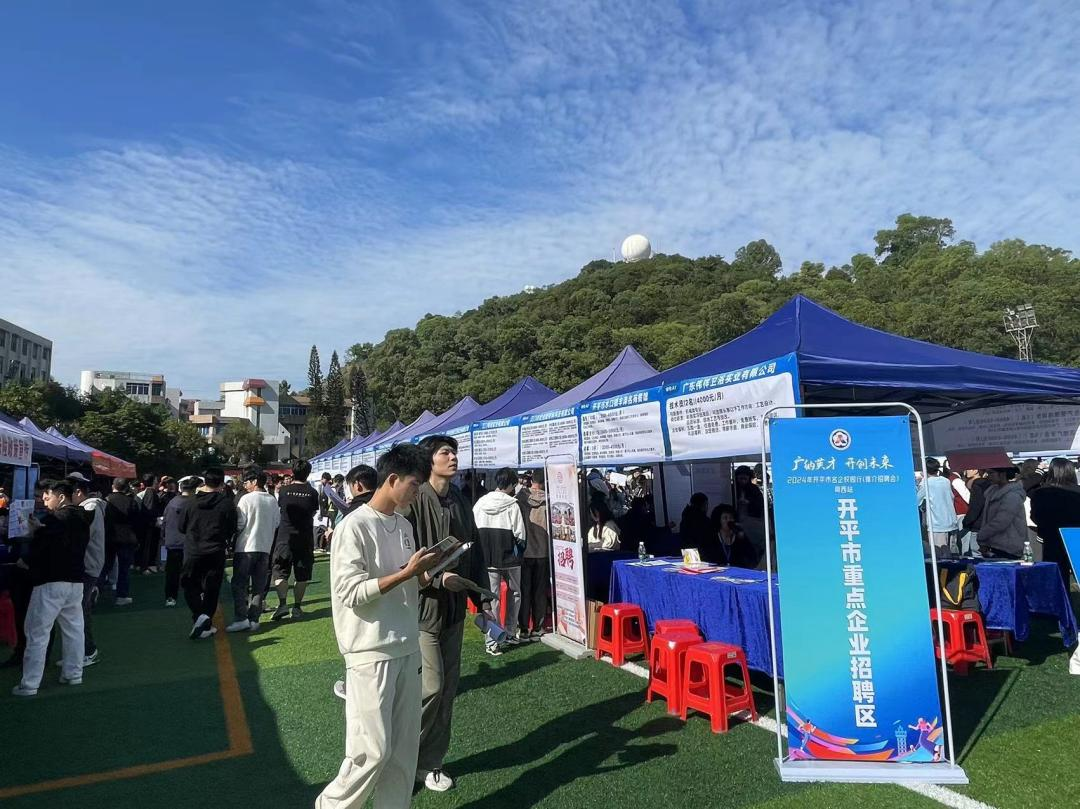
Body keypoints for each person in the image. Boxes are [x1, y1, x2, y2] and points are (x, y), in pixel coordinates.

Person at [316, 444, 441, 809]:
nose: (417, 493)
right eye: (414, 485)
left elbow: (405, 580)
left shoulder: (404, 525)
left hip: (407, 644)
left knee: (403, 752)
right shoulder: (353, 526)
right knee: (370, 752)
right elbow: (350, 592)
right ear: (392, 479)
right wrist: (406, 573)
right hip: (369, 650)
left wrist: (424, 575)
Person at [403, 435, 488, 793]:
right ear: (430, 460)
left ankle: (430, 763)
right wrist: (438, 578)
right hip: (422, 611)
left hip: (454, 610)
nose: (453, 458)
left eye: (454, 452)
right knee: (431, 688)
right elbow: (405, 559)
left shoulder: (460, 500)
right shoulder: (415, 499)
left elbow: (475, 549)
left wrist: (482, 599)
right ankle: (404, 757)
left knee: (448, 690)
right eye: (445, 453)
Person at [13, 480, 90, 697]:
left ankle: (29, 684)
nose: (44, 501)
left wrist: (35, 536)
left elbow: (43, 549)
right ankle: (73, 673)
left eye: (47, 496)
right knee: (74, 630)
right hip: (76, 581)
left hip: (51, 581)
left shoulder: (55, 520)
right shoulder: (82, 518)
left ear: (61, 496)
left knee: (37, 632)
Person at [177, 468, 238, 639]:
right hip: (215, 549)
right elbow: (232, 527)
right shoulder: (226, 503)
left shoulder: (190, 502)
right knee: (212, 587)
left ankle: (199, 616)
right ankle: (204, 618)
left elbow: (181, 527)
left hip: (193, 549)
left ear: (204, 481)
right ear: (221, 483)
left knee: (189, 584)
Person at [474, 467, 528, 651]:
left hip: (487, 558)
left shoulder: (480, 503)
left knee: (492, 599)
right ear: (512, 484)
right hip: (510, 558)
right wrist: (520, 552)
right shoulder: (512, 505)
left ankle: (492, 641)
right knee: (515, 594)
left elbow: (473, 530)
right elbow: (520, 534)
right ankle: (511, 633)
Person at [228, 470, 280, 632]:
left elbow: (239, 523)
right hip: (265, 547)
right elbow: (277, 522)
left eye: (246, 482)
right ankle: (254, 619)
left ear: (254, 481)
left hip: (245, 547)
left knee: (239, 584)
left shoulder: (246, 499)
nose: (245, 485)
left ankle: (241, 618)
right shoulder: (272, 500)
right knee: (259, 586)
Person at [272, 461, 321, 620]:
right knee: (302, 574)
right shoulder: (312, 493)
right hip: (304, 537)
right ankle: (297, 607)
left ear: (292, 472)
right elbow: (313, 512)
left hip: (285, 536)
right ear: (308, 473)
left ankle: (282, 604)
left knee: (280, 571)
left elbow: (282, 508)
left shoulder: (284, 491)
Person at [68, 473, 105, 667]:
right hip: (89, 565)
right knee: (78, 610)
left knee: (81, 610)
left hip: (88, 565)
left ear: (78, 492)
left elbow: (81, 535)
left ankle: (88, 650)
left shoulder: (89, 508)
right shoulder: (91, 506)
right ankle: (78, 652)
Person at [1030, 457, 1080, 586]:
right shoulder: (1077, 492)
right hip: (1076, 536)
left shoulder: (1040, 493)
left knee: (1056, 579)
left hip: (1052, 539)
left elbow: (1035, 516)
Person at [517, 469, 550, 639]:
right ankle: (537, 627)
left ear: (532, 480)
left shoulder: (520, 499)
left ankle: (523, 628)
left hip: (524, 551)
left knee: (524, 591)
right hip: (543, 552)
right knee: (539, 592)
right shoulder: (549, 501)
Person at [102, 478, 140, 606]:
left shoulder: (106, 500)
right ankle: (122, 595)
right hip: (126, 538)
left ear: (113, 486)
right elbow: (136, 521)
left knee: (105, 566)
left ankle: (95, 591)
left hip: (108, 537)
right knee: (124, 568)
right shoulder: (131, 501)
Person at [977, 466, 1028, 559]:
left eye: (991, 473)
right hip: (993, 545)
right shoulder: (992, 492)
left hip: (1008, 546)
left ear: (1002, 474)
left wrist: (982, 535)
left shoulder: (1012, 495)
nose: (988, 476)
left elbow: (1001, 522)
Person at [162, 477, 198, 606]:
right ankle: (193, 594)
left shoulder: (171, 502)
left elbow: (164, 522)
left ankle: (170, 597)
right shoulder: (194, 504)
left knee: (172, 572)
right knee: (192, 571)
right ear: (193, 490)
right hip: (189, 542)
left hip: (172, 542)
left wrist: (164, 537)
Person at [918, 458, 959, 557]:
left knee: (939, 553)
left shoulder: (926, 483)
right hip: (950, 520)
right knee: (948, 551)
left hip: (936, 522)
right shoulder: (946, 481)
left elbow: (917, 500)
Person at [710, 504, 760, 568]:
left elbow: (752, 555)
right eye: (725, 518)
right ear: (719, 520)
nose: (729, 520)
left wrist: (743, 539)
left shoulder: (738, 537)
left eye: (731, 518)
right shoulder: (713, 538)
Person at [733, 465, 766, 551]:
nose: (742, 481)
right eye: (740, 479)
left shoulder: (754, 489)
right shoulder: (733, 488)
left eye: (745, 479)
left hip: (751, 523)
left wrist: (749, 503)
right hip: (736, 521)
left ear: (749, 478)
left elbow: (760, 504)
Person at [136, 473, 162, 574]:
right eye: (156, 481)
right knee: (148, 546)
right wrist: (154, 520)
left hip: (145, 524)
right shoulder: (151, 493)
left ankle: (141, 565)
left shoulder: (146, 493)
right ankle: (145, 566)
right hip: (149, 526)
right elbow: (150, 509)